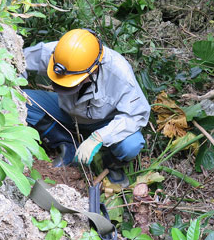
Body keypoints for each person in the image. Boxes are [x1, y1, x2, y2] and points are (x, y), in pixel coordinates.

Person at [23, 28, 150, 187]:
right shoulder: (59, 54)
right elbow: (18, 58)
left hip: (104, 122)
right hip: (65, 111)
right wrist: (15, 80)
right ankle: (67, 143)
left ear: (94, 68)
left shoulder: (119, 73)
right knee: (20, 99)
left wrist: (99, 137)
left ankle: (110, 165)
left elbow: (136, 115)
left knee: (131, 144)